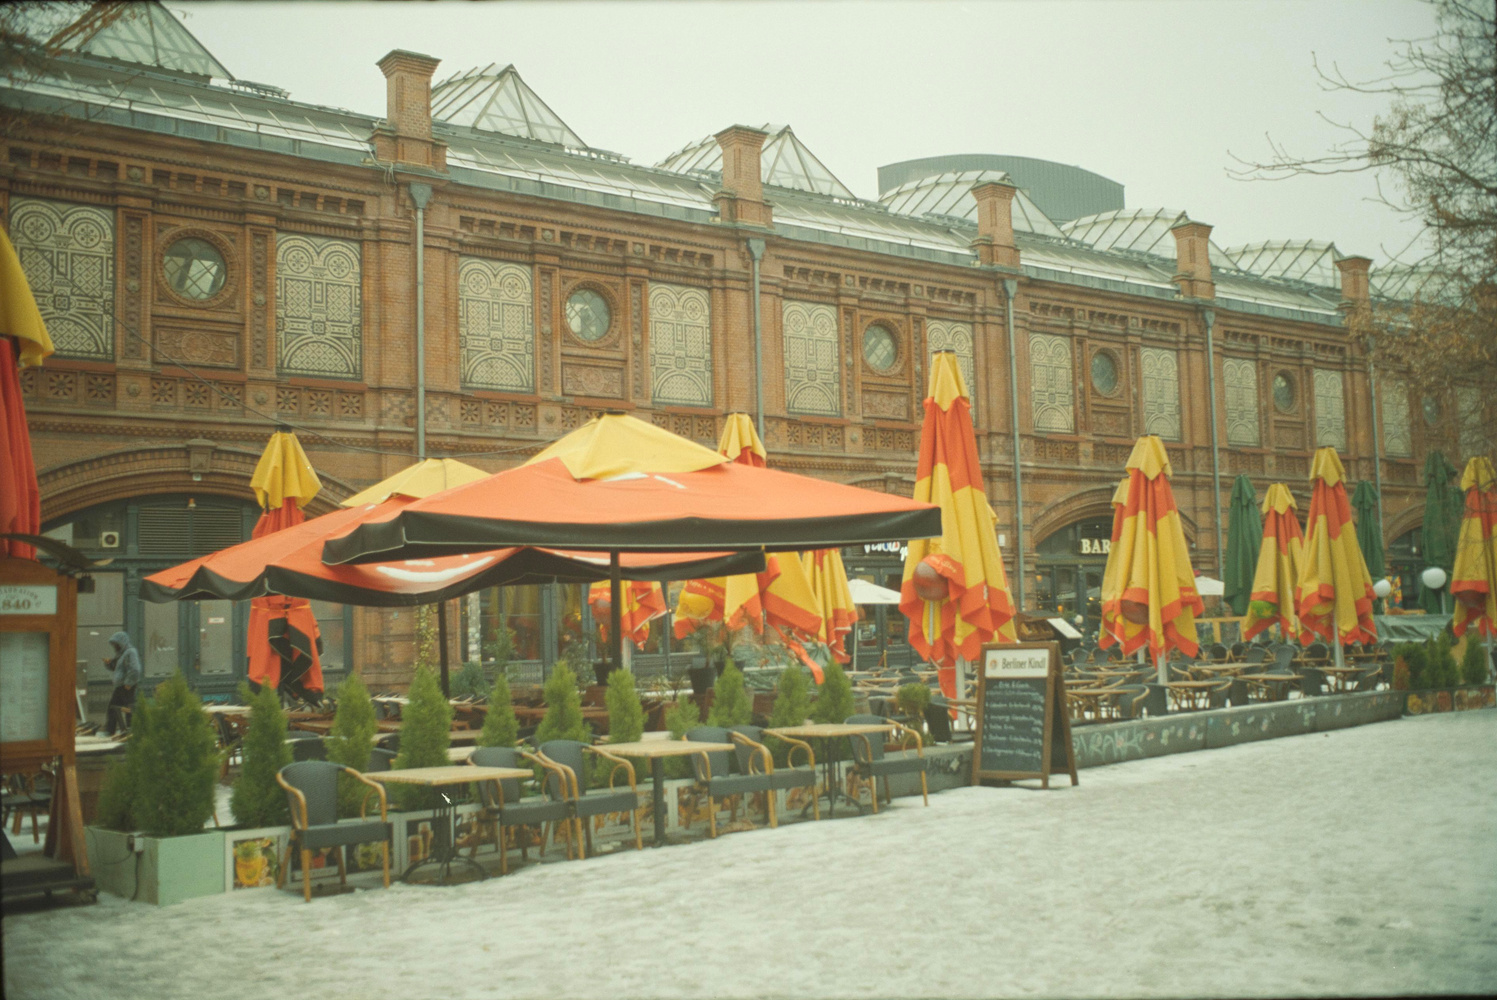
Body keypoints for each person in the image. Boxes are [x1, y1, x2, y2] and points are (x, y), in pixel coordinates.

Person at [103, 630, 142, 736]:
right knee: (114, 708)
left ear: (121, 642)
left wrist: (129, 683)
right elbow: (116, 668)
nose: (115, 646)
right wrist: (108, 663)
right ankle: (112, 730)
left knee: (128, 708)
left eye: (116, 644)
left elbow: (135, 669)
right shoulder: (121, 654)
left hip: (126, 686)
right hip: (121, 686)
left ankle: (131, 729)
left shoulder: (130, 652)